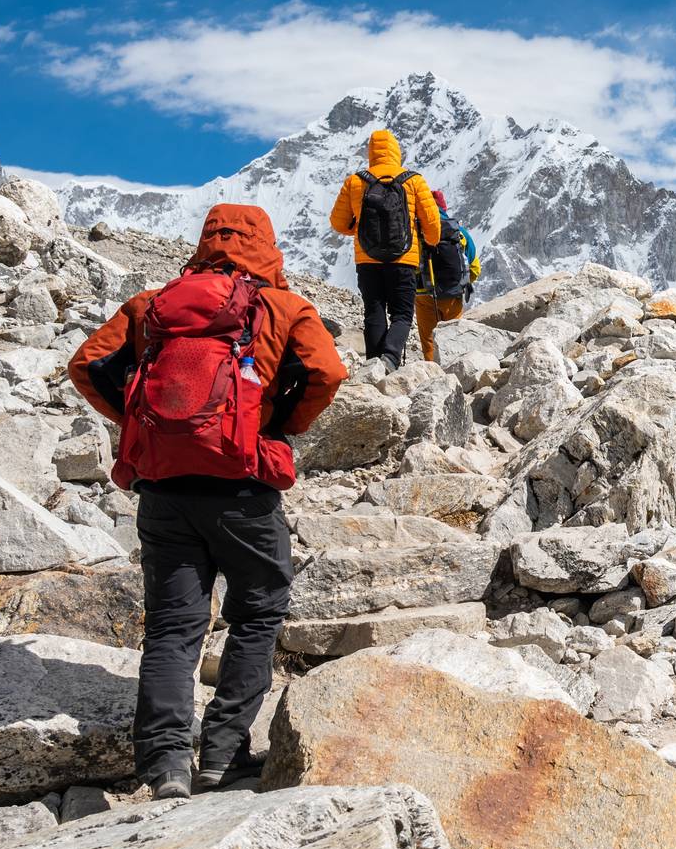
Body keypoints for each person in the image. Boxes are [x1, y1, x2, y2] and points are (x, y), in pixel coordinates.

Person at [68, 204, 347, 800]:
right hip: (244, 488)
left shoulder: (155, 304)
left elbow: (88, 364)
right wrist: (277, 427)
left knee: (172, 628)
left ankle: (165, 764)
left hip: (164, 491)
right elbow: (327, 371)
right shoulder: (284, 307)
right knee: (258, 612)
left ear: (205, 241)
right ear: (267, 244)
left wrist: (144, 425)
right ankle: (222, 754)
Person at [329, 128, 442, 374]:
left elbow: (338, 223)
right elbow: (433, 224)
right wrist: (429, 241)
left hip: (367, 259)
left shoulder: (355, 181)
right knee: (402, 313)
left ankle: (373, 363)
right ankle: (390, 359)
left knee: (374, 309)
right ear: (396, 151)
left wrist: (357, 229)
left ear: (371, 152)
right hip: (404, 259)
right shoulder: (413, 180)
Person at [414, 189, 480, 363]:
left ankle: (432, 375)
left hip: (424, 295)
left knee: (429, 343)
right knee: (454, 340)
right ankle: (458, 376)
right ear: (443, 207)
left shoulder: (416, 232)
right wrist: (461, 283)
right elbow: (475, 268)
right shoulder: (458, 232)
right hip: (453, 296)